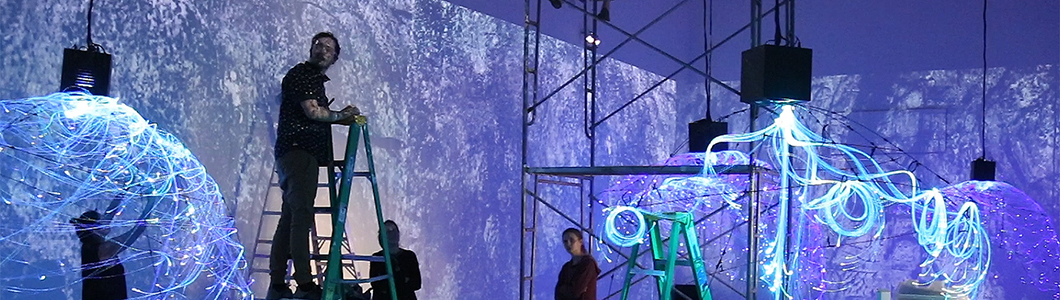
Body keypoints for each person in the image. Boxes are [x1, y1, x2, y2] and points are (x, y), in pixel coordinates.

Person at [267, 31, 362, 300]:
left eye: (328, 49)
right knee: (302, 217)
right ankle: (305, 285)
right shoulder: (303, 75)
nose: (322, 51)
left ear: (334, 58)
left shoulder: (309, 78)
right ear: (311, 48)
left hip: (293, 153)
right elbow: (313, 112)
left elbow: (315, 112)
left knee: (290, 217)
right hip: (300, 153)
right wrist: (344, 115)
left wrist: (339, 117)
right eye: (319, 45)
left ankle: (277, 282)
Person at [70, 205, 137, 300]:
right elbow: (137, 231)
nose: (107, 223)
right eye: (102, 221)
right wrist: (151, 202)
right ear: (95, 229)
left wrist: (122, 192)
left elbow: (110, 213)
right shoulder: (105, 249)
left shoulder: (89, 246)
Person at [369, 220, 421, 300]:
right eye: (387, 231)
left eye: (393, 230)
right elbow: (376, 284)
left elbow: (416, 283)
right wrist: (403, 280)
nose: (391, 233)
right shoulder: (377, 258)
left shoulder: (409, 256)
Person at [555, 228, 599, 300]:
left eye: (572, 240)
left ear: (580, 241)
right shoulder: (566, 267)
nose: (568, 244)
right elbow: (558, 293)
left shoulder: (588, 264)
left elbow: (575, 291)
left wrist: (564, 289)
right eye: (565, 241)